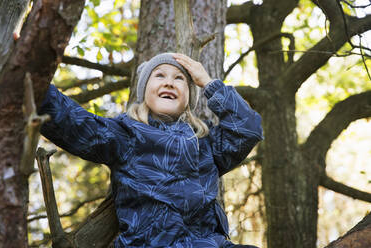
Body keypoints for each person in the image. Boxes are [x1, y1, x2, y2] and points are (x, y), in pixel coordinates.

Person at [39, 53, 263, 247]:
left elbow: (248, 129)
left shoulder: (205, 144)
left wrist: (208, 83)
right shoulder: (126, 134)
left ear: (188, 99)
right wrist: (31, 74)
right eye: (159, 75)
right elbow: (73, 121)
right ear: (145, 91)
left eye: (179, 79)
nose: (169, 83)